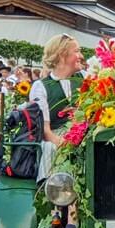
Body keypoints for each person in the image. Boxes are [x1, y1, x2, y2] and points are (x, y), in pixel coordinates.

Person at [33, 33, 84, 180]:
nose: (81, 56)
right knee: (50, 148)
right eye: (77, 51)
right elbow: (45, 131)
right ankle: (51, 191)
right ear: (62, 55)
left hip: (83, 134)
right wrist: (62, 143)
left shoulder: (85, 78)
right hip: (56, 138)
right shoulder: (41, 86)